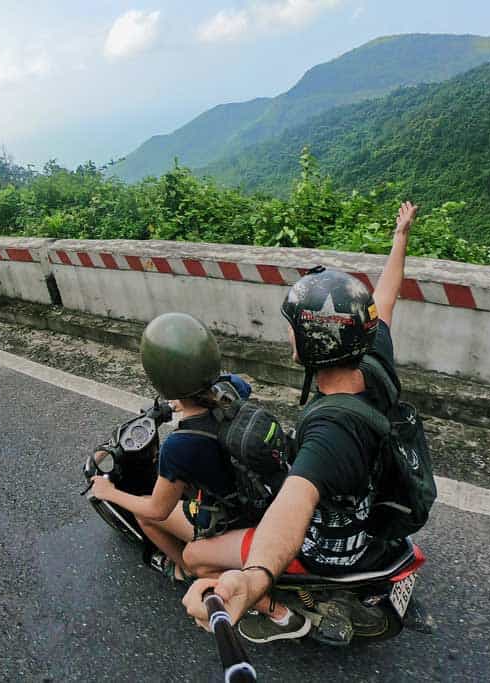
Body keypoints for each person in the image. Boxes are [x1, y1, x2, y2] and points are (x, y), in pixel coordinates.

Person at [181, 200, 419, 643]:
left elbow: (293, 505)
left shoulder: (331, 431)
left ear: (315, 340)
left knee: (195, 555)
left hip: (332, 547)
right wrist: (400, 236)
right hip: (370, 505)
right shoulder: (373, 356)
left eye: (293, 327)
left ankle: (275, 613)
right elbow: (385, 296)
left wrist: (252, 581)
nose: (288, 332)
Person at [89, 312, 252, 583]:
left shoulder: (180, 446)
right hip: (249, 493)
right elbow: (233, 386)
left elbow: (157, 510)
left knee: (144, 514)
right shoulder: (233, 388)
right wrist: (183, 402)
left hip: (228, 519)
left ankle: (184, 569)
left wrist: (109, 492)